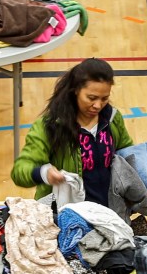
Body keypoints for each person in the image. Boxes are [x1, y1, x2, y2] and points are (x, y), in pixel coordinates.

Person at [12, 58, 133, 206]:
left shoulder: (113, 119)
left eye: (104, 98)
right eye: (91, 98)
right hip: (67, 215)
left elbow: (126, 154)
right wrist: (44, 173)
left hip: (110, 212)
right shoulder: (49, 126)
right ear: (76, 90)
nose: (98, 105)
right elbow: (19, 171)